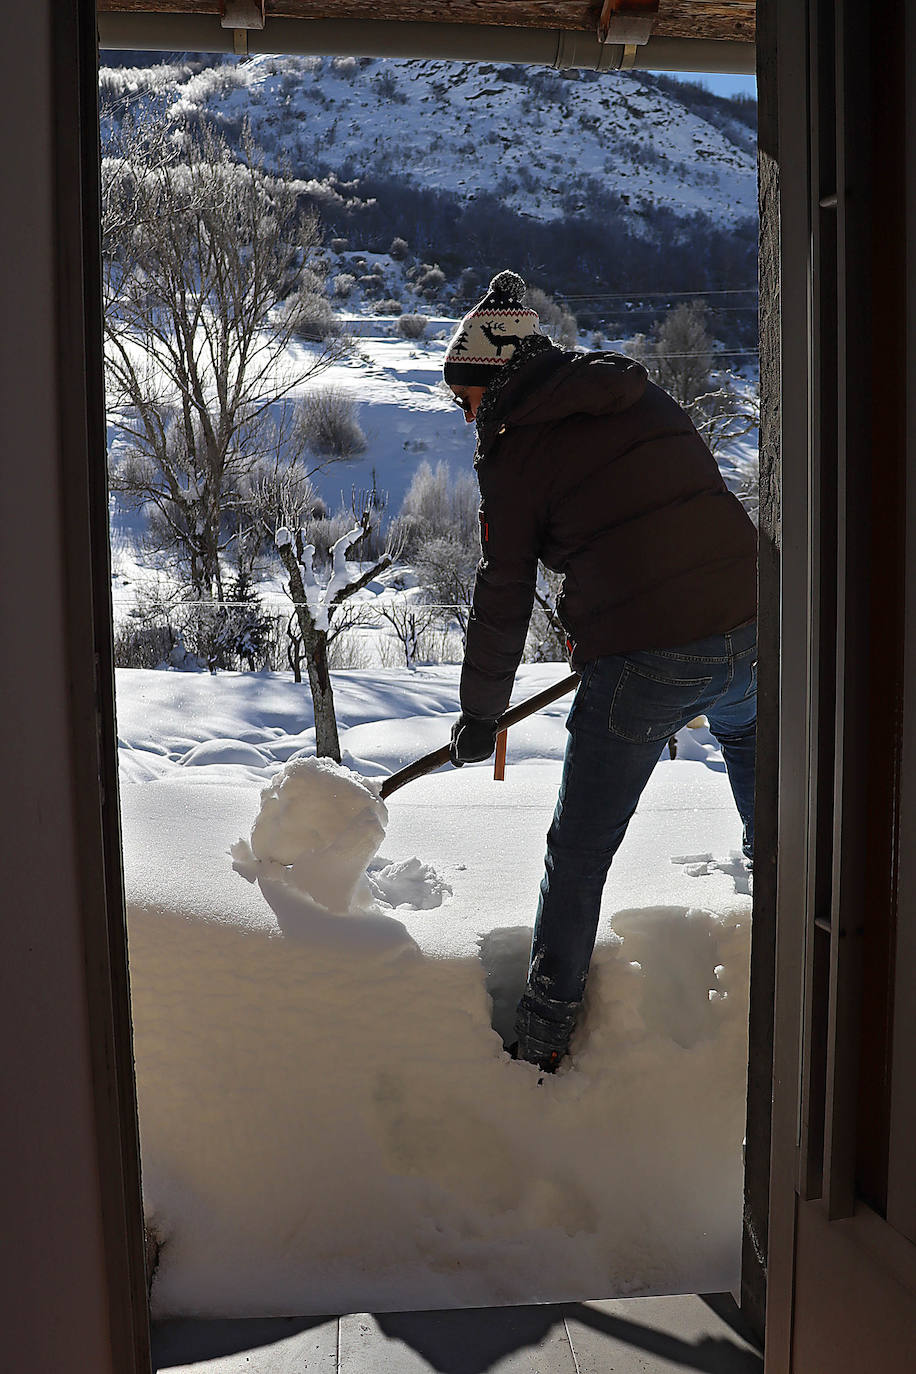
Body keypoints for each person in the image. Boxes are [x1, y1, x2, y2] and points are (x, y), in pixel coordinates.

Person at [443, 270, 758, 1072]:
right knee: (780, 825)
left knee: (578, 853)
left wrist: (482, 713)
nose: (464, 415)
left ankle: (543, 1041)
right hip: (760, 626)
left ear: (494, 382)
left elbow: (504, 590)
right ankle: (792, 971)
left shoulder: (515, 449)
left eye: (464, 397)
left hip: (647, 655)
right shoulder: (632, 393)